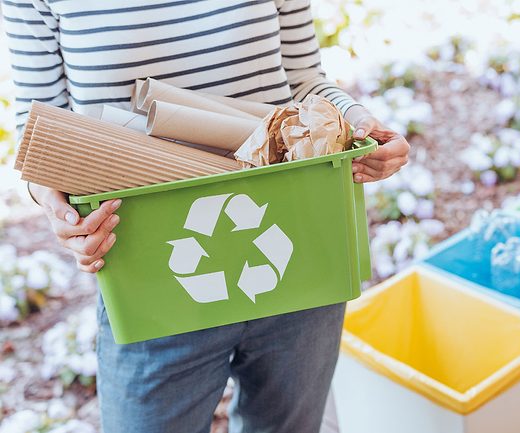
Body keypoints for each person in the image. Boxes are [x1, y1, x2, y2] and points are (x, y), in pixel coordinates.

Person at [3, 1, 409, 432]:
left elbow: (304, 81)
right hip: (149, 273)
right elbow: (39, 128)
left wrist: (359, 123)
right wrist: (56, 208)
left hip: (294, 249)